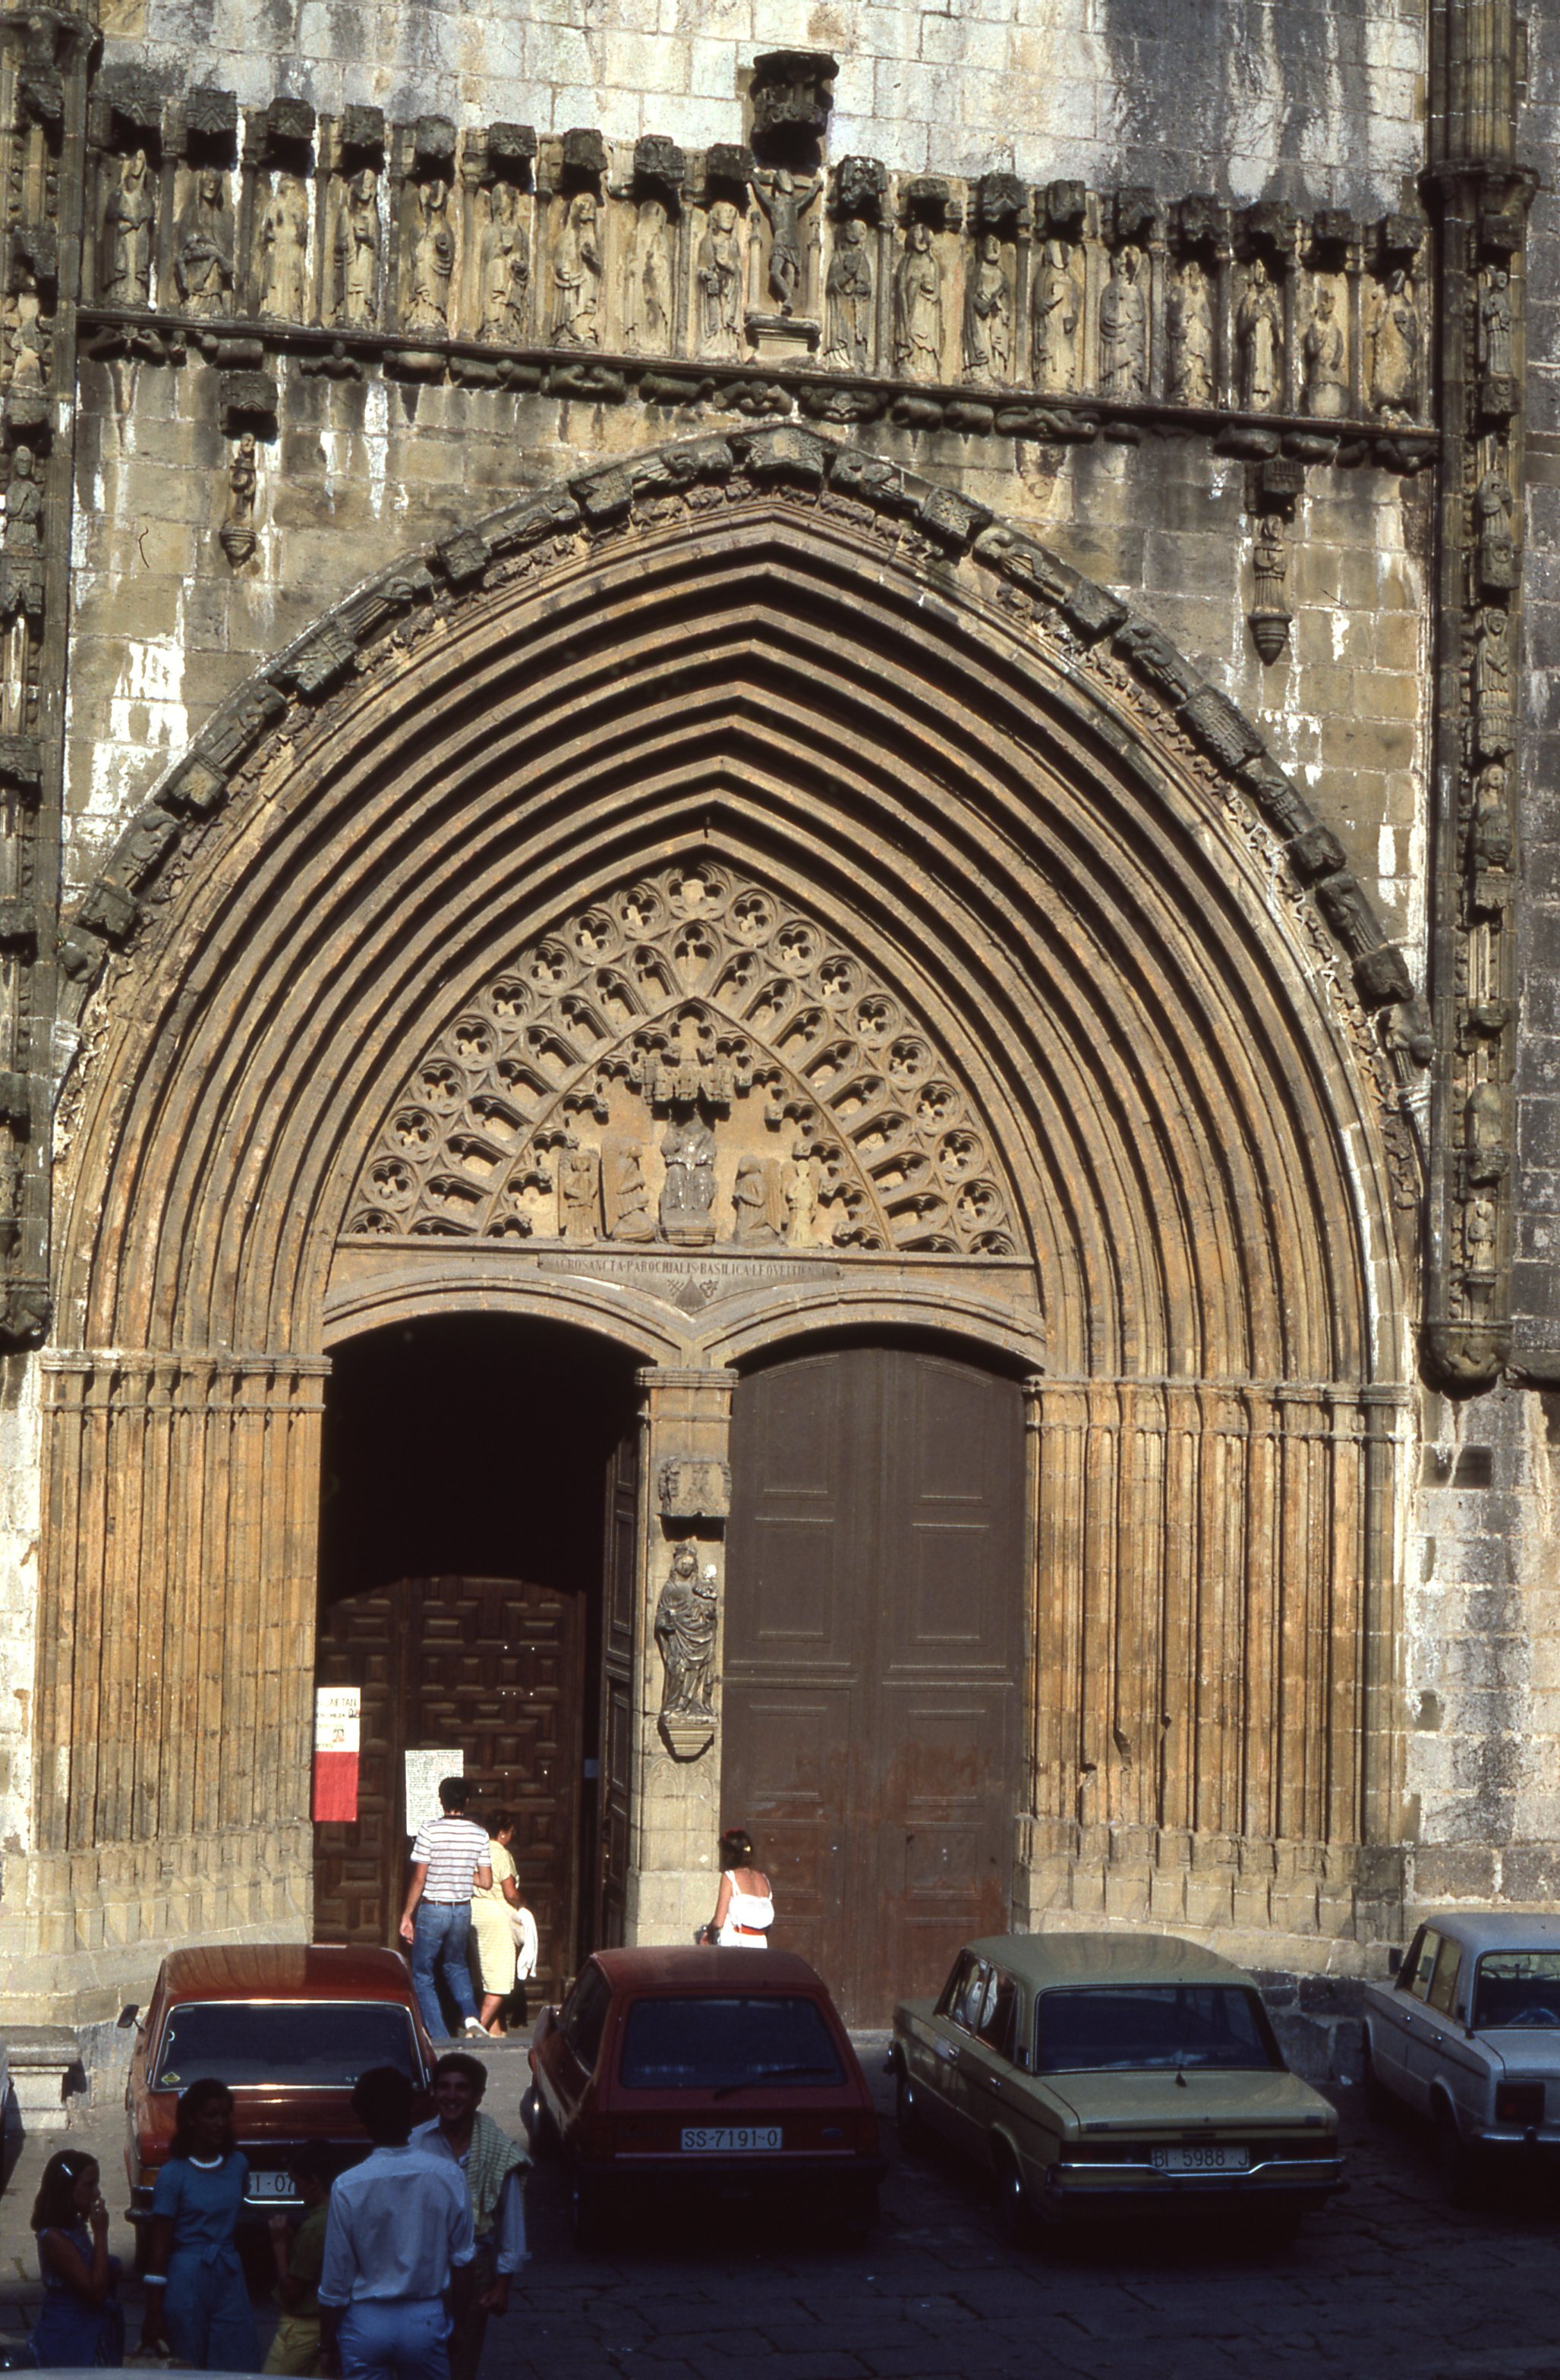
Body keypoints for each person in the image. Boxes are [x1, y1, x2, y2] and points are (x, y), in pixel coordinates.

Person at [317, 2066, 474, 2380]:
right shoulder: (448, 2176)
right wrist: (458, 2324)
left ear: (363, 2118)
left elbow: (336, 2279)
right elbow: (463, 2263)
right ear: (411, 2110)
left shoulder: (348, 2185)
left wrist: (326, 2343)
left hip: (365, 2322)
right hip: (425, 2318)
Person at [411, 2054, 528, 2380]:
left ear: (478, 2096)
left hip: (476, 2268)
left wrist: (503, 2285)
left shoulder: (499, 2150)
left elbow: (512, 2223)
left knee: (462, 2360)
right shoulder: (416, 2143)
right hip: (421, 2264)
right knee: (418, 2358)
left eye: (461, 2088)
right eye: (444, 2087)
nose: (451, 2096)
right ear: (434, 2092)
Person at [138, 2077, 257, 2373]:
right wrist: (153, 2311)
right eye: (210, 2115)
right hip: (187, 2278)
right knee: (188, 2363)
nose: (219, 2123)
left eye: (225, 2115)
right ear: (191, 2119)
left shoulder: (238, 2164)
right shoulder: (173, 2174)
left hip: (229, 2275)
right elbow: (159, 2247)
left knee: (236, 2360)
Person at [399, 1775, 492, 2042]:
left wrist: (407, 1915)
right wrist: (462, 1873)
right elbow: (486, 1881)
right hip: (462, 1910)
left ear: (441, 1800)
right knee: (456, 1965)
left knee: (422, 1973)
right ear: (467, 1801)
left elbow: (420, 1878)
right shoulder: (479, 1834)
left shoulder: (429, 1830)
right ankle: (471, 2017)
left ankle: (440, 2036)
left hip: (434, 1908)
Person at [30, 2149, 124, 2368]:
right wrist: (101, 2233)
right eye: (89, 2185)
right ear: (67, 2189)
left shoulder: (74, 2225)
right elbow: (94, 2291)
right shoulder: (54, 2237)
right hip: (70, 2333)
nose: (97, 2193)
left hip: (91, 2327)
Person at [262, 2143, 334, 2375]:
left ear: (313, 2181)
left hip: (302, 2327)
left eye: (297, 2183)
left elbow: (292, 2291)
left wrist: (279, 2245)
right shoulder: (340, 2213)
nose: (296, 2192)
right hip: (331, 2323)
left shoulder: (315, 2227)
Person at [468, 1812, 534, 2036]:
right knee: (501, 1975)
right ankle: (477, 2027)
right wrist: (524, 1904)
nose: (512, 1837)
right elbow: (510, 1892)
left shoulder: (476, 1849)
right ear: (503, 1833)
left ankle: (494, 2028)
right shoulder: (500, 1853)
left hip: (474, 1912)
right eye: (511, 1832)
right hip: (496, 1917)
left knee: (485, 1972)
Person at [700, 1826, 774, 1947]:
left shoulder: (730, 1877)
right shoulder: (763, 1879)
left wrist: (708, 1931)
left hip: (737, 1943)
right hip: (760, 1943)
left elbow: (719, 1921)